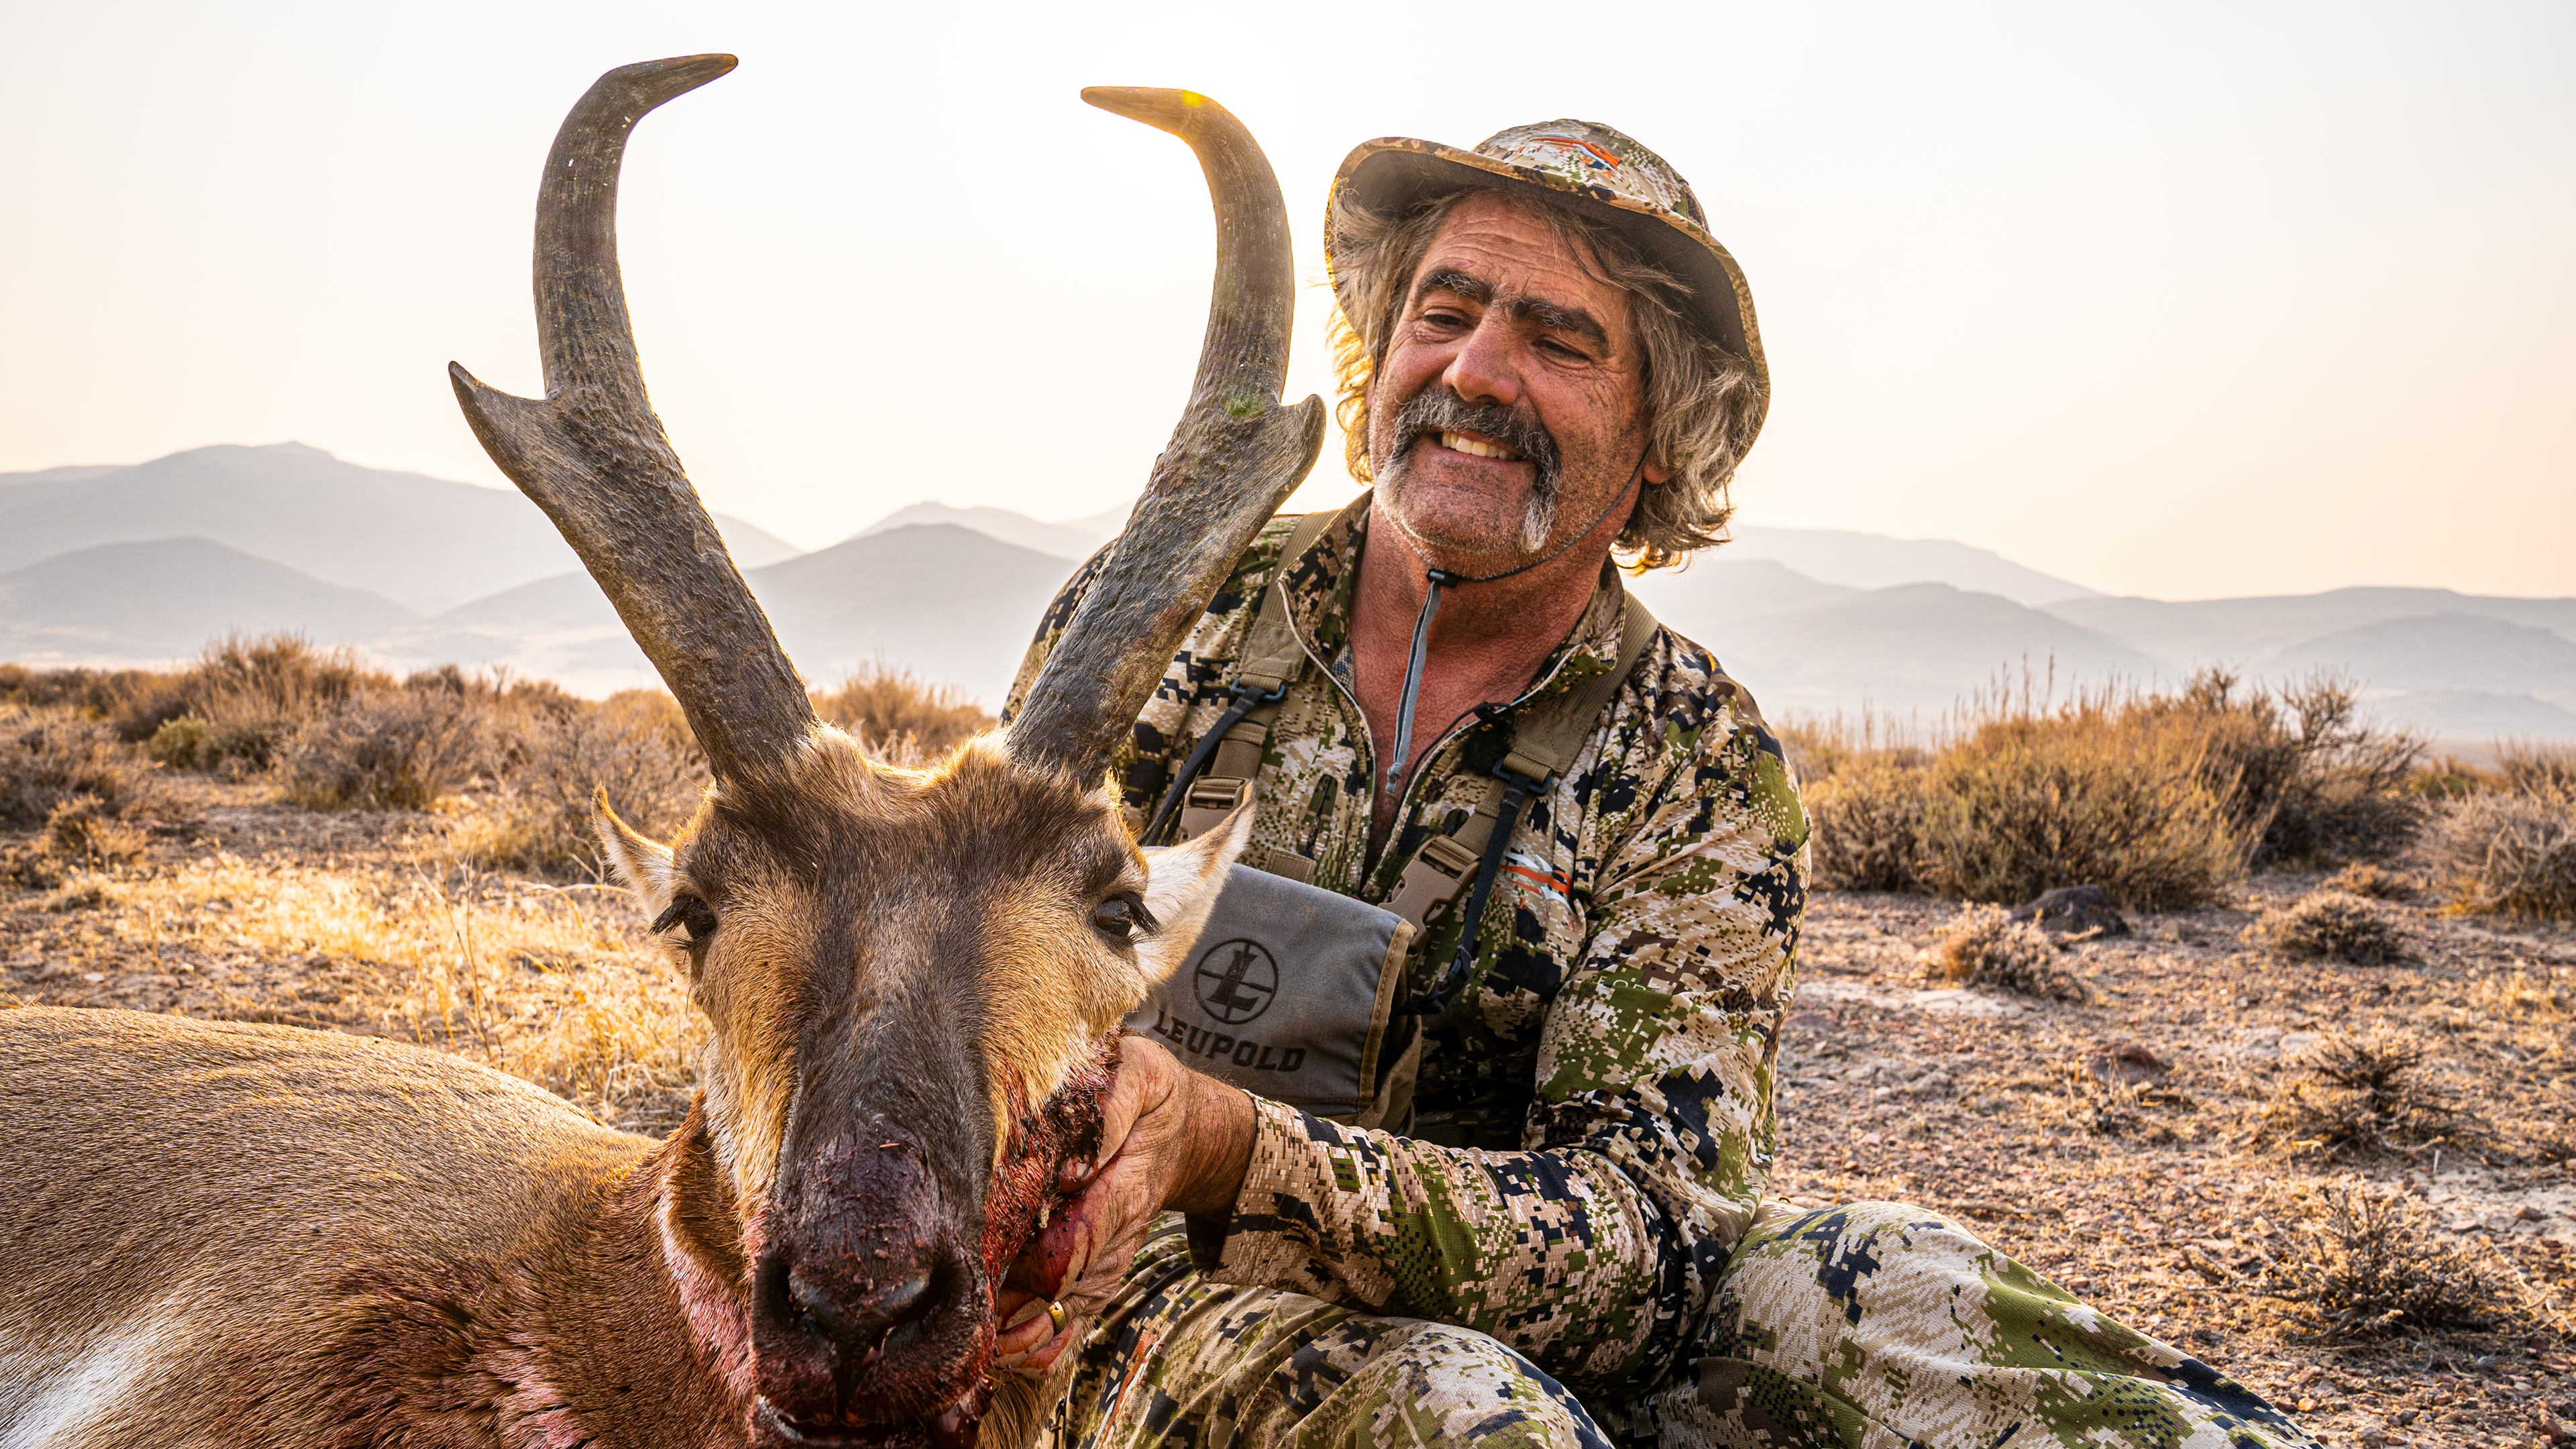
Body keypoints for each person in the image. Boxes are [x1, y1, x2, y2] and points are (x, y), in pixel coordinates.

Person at [996, 119, 2313, 1449]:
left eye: (1560, 341)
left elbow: (1656, 1248)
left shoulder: (1696, 763)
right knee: (1458, 1416)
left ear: (1663, 439)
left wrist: (1234, 1143)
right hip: (1123, 1290)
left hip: (1548, 1315)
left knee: (1890, 1285)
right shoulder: (1163, 615)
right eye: (1441, 312)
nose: (1477, 370)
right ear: (1380, 356)